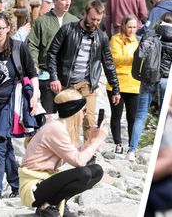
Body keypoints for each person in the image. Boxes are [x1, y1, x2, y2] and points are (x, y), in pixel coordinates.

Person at [0, 12, 39, 199]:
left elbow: (31, 73)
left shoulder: (19, 48)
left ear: (8, 29)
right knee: (4, 143)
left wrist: (35, 95)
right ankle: (17, 184)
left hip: (10, 103)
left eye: (0, 28)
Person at [19, 88, 107, 217]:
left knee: (97, 170)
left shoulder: (60, 127)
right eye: (83, 111)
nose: (85, 115)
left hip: (46, 180)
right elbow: (79, 161)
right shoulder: (56, 128)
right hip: (33, 187)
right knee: (84, 173)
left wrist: (90, 141)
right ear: (74, 111)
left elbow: (74, 154)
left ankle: (53, 203)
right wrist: (97, 141)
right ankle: (48, 205)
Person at [48, 0, 121, 142]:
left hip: (87, 84)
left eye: (99, 20)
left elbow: (109, 64)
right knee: (68, 120)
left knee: (89, 120)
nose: (95, 23)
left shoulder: (102, 37)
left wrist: (116, 89)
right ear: (85, 14)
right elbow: (52, 54)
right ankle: (68, 151)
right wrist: (54, 77)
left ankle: (89, 153)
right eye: (93, 19)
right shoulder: (67, 30)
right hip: (66, 83)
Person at [126, 12, 172, 162]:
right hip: (166, 80)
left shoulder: (152, 34)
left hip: (148, 78)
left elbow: (138, 54)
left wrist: (137, 74)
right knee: (166, 116)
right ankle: (162, 153)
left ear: (161, 22)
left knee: (141, 115)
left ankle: (131, 151)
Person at [28, 0, 78, 115]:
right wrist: (34, 65)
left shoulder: (75, 22)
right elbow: (32, 45)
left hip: (68, 76)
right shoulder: (42, 21)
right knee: (47, 116)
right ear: (54, 1)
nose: (68, 3)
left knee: (67, 116)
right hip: (46, 75)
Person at [106, 14, 140, 154]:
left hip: (134, 84)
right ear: (123, 26)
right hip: (117, 83)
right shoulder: (115, 39)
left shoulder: (137, 41)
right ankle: (118, 143)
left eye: (134, 27)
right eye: (129, 27)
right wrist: (136, 58)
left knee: (132, 118)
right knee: (116, 115)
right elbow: (116, 59)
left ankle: (132, 146)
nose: (131, 30)